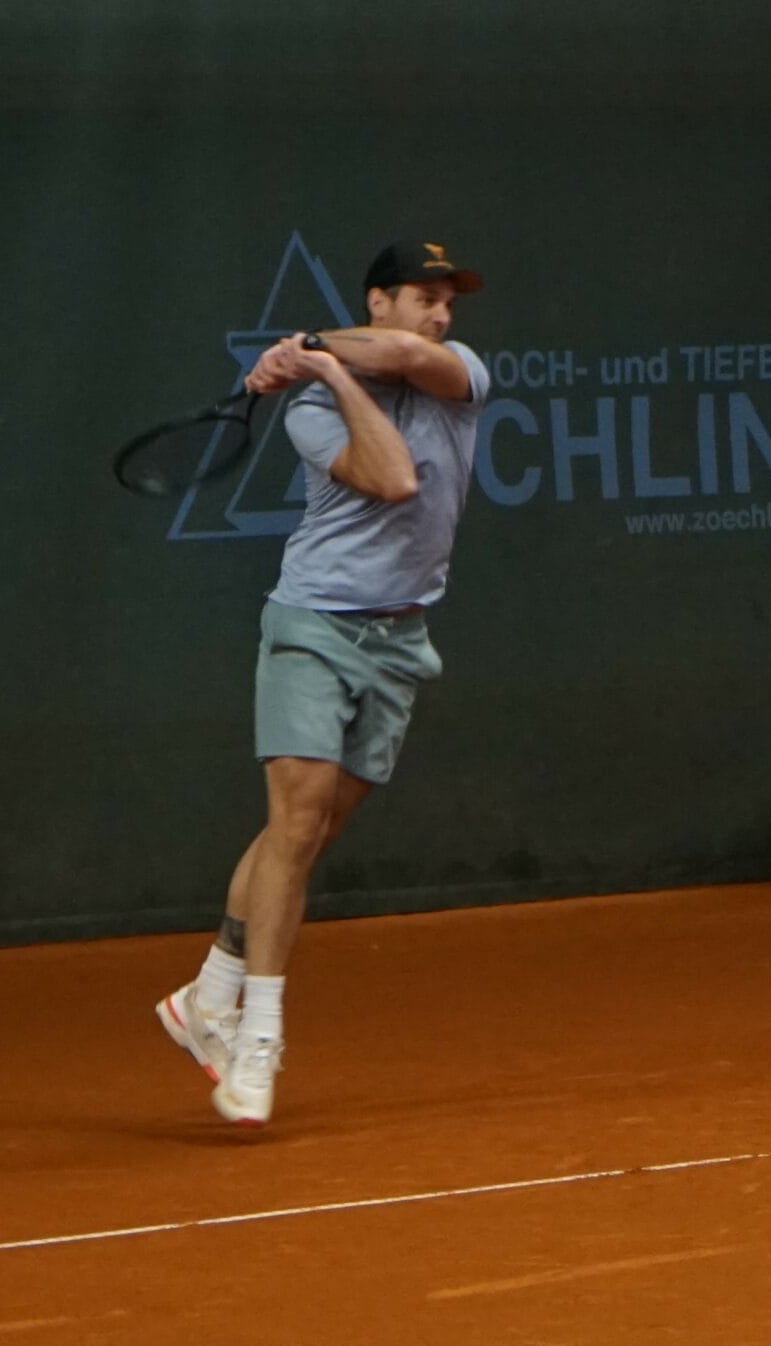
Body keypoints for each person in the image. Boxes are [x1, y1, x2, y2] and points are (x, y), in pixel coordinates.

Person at [155, 240, 491, 1125]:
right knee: (296, 821)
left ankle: (206, 995)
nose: (440, 315)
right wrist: (331, 374)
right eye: (423, 297)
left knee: (306, 836)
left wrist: (307, 346)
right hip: (313, 628)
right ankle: (258, 1036)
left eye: (448, 301)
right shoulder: (311, 408)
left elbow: (408, 357)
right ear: (377, 301)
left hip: (401, 642)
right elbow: (393, 478)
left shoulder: (459, 371)